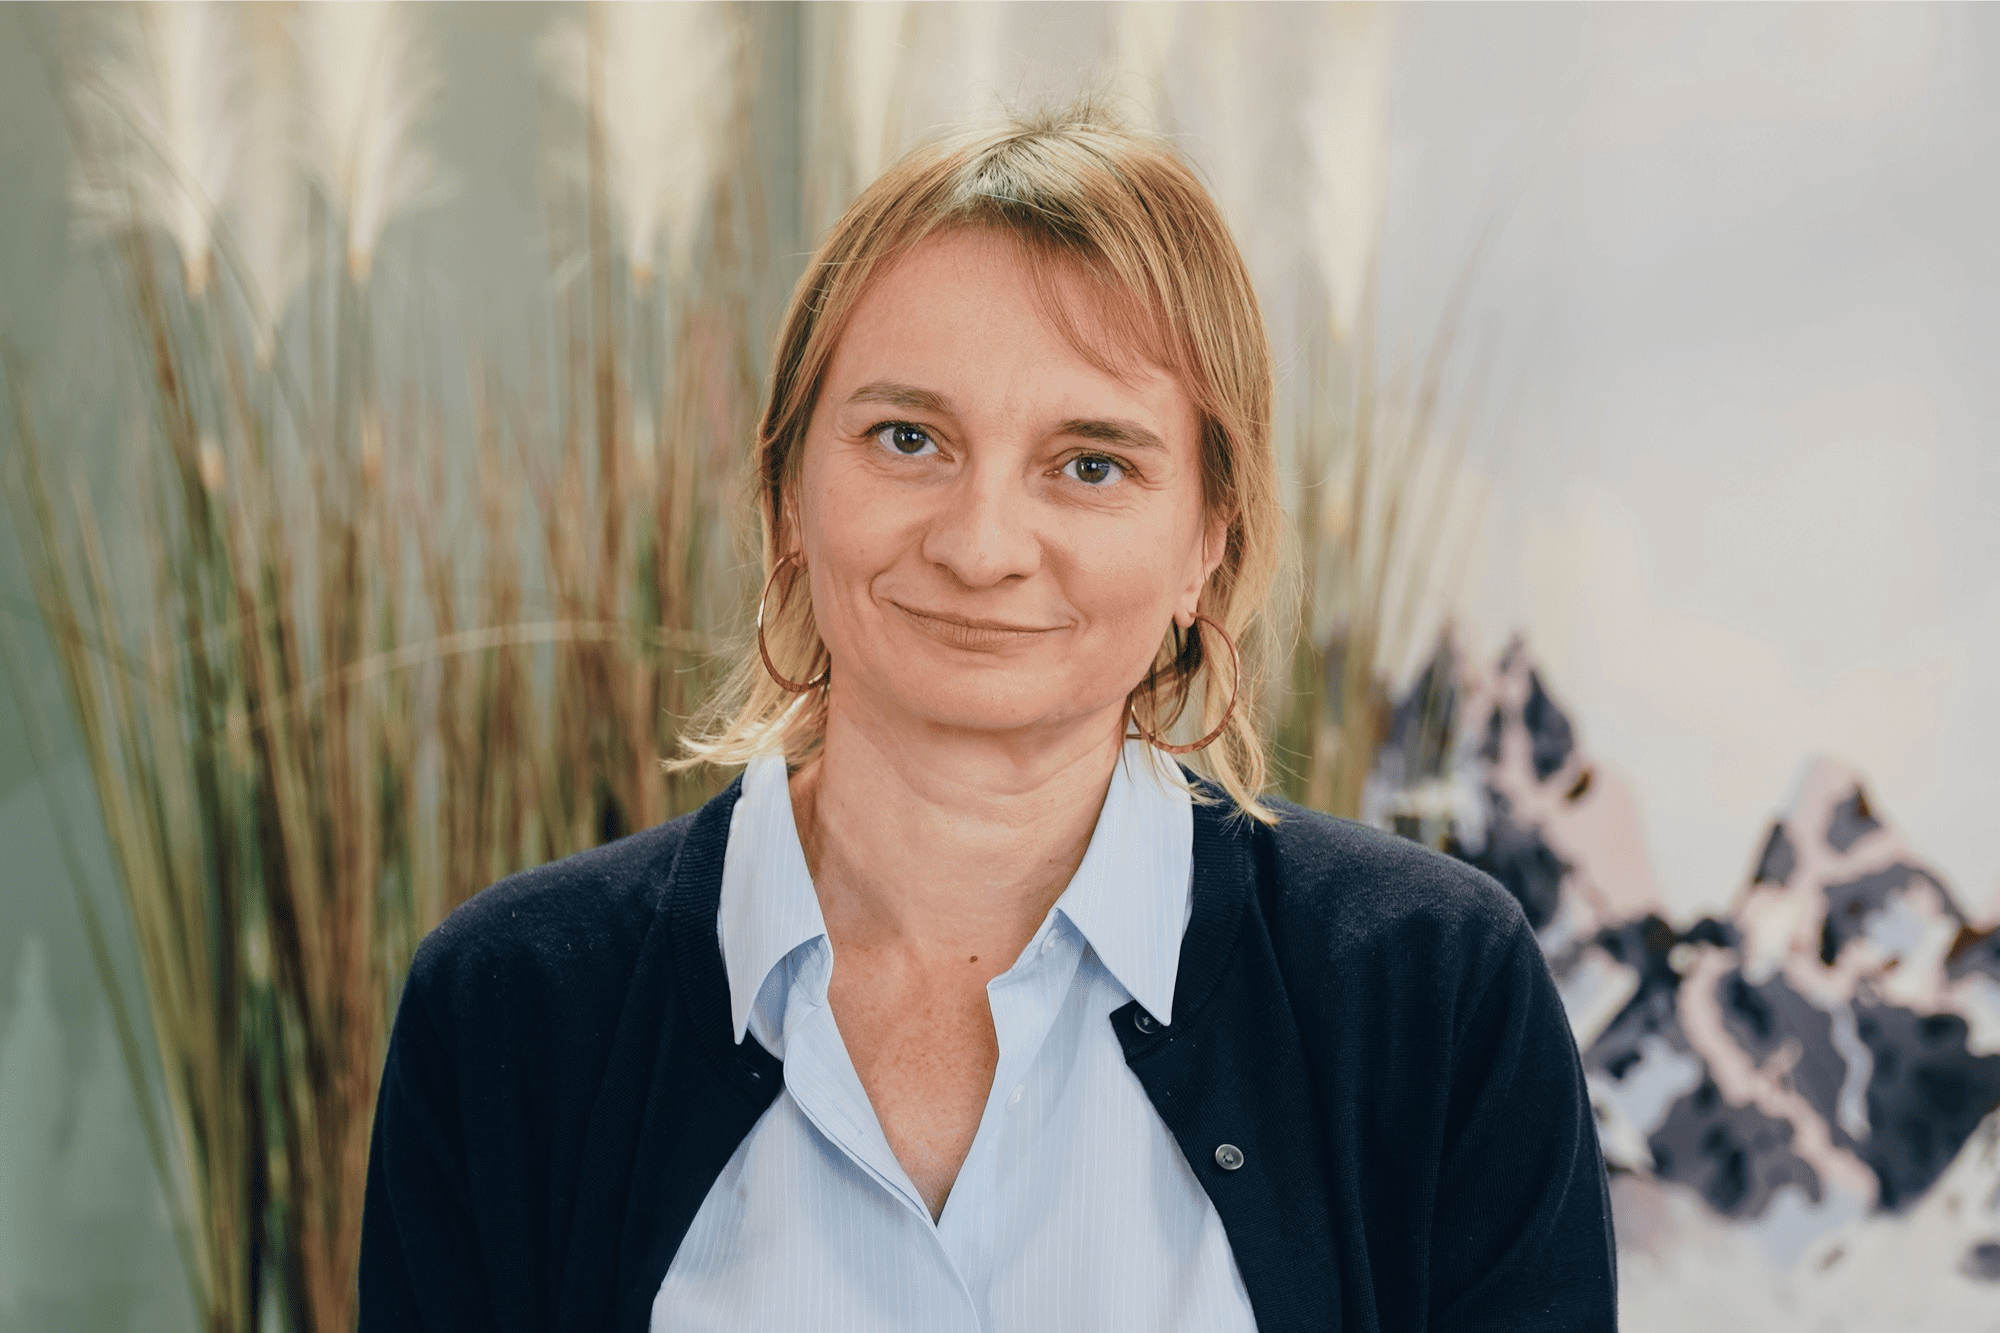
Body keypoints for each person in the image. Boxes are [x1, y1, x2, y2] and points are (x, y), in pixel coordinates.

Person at [359, 103, 1616, 1333]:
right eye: (907, 438)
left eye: (1090, 464)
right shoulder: (508, 1007)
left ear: (1207, 542)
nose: (979, 545)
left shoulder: (1431, 993)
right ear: (788, 491)